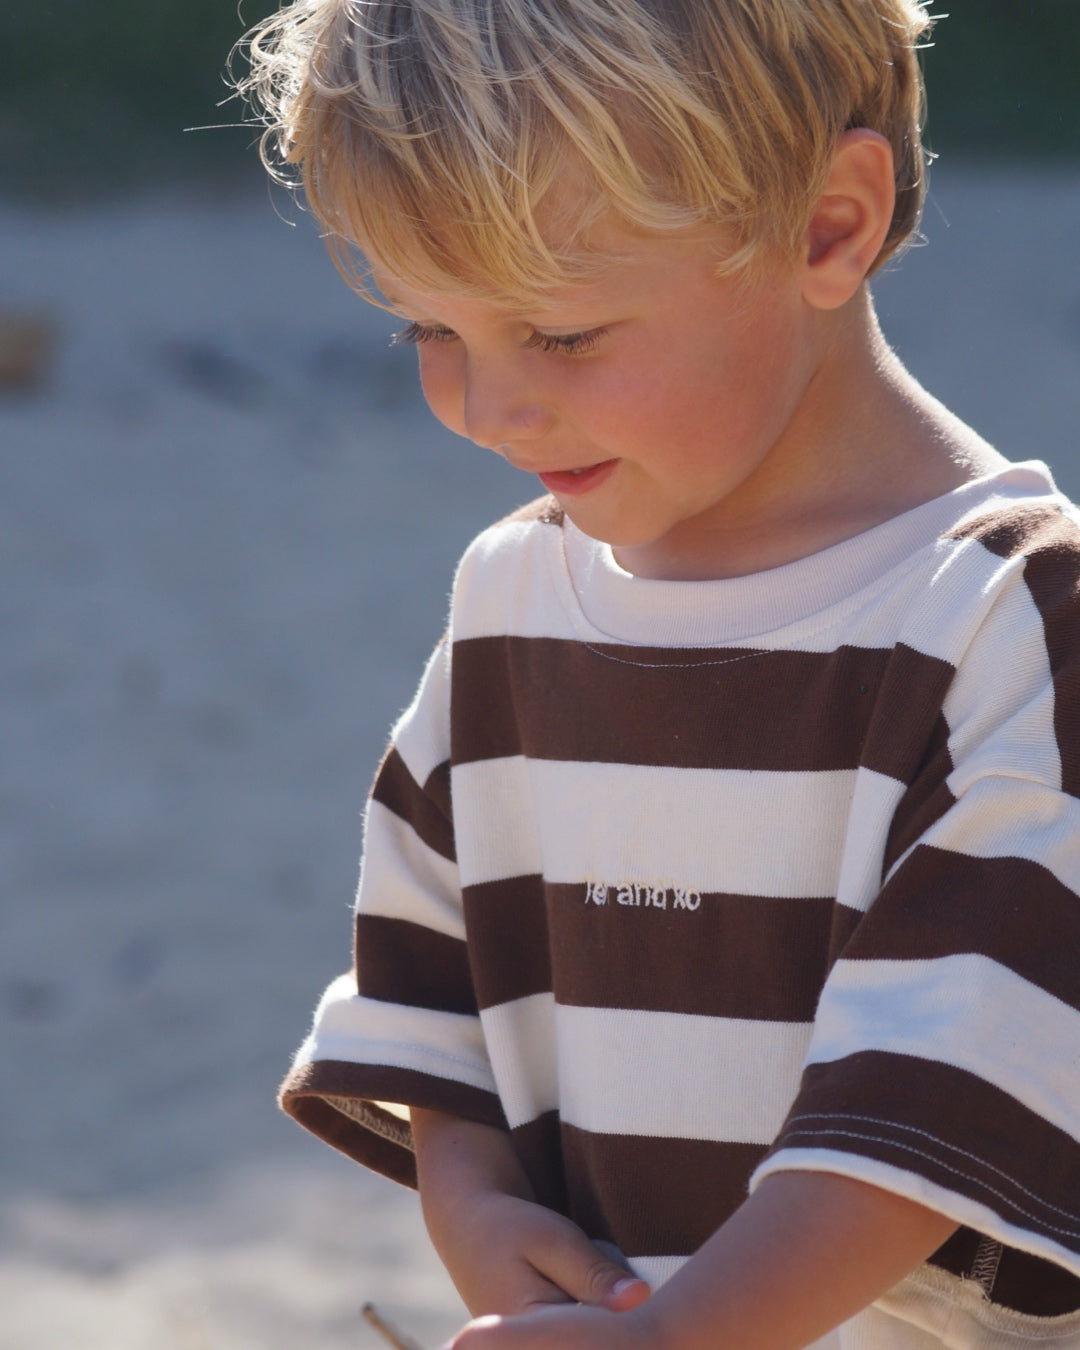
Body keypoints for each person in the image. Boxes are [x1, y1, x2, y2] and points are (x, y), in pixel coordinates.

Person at [239, 1, 1080, 1345]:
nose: (493, 410)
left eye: (562, 335)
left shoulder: (1005, 616)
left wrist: (688, 1331)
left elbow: (953, 1079)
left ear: (827, 226)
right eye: (430, 334)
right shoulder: (509, 600)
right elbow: (433, 986)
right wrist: (476, 1202)